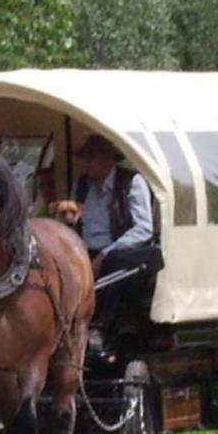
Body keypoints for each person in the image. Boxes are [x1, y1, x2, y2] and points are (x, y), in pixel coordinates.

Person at [73, 133, 156, 351]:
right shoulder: (82, 185)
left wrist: (106, 253)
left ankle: (100, 327)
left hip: (120, 250)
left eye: (91, 157)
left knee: (114, 263)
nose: (87, 163)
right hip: (85, 248)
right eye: (86, 158)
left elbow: (144, 228)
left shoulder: (131, 182)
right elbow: (76, 223)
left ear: (107, 159)